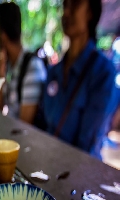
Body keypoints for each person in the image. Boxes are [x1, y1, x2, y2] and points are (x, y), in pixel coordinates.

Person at [43, 0, 118, 159]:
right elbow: (42, 122)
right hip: (46, 161)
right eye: (65, 6)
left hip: (76, 170)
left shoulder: (102, 72)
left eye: (75, 5)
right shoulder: (54, 71)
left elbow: (87, 144)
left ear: (91, 12)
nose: (67, 13)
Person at [0, 2, 47, 124]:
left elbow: (24, 127)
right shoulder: (9, 66)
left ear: (3, 35)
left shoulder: (32, 67)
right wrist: (0, 75)